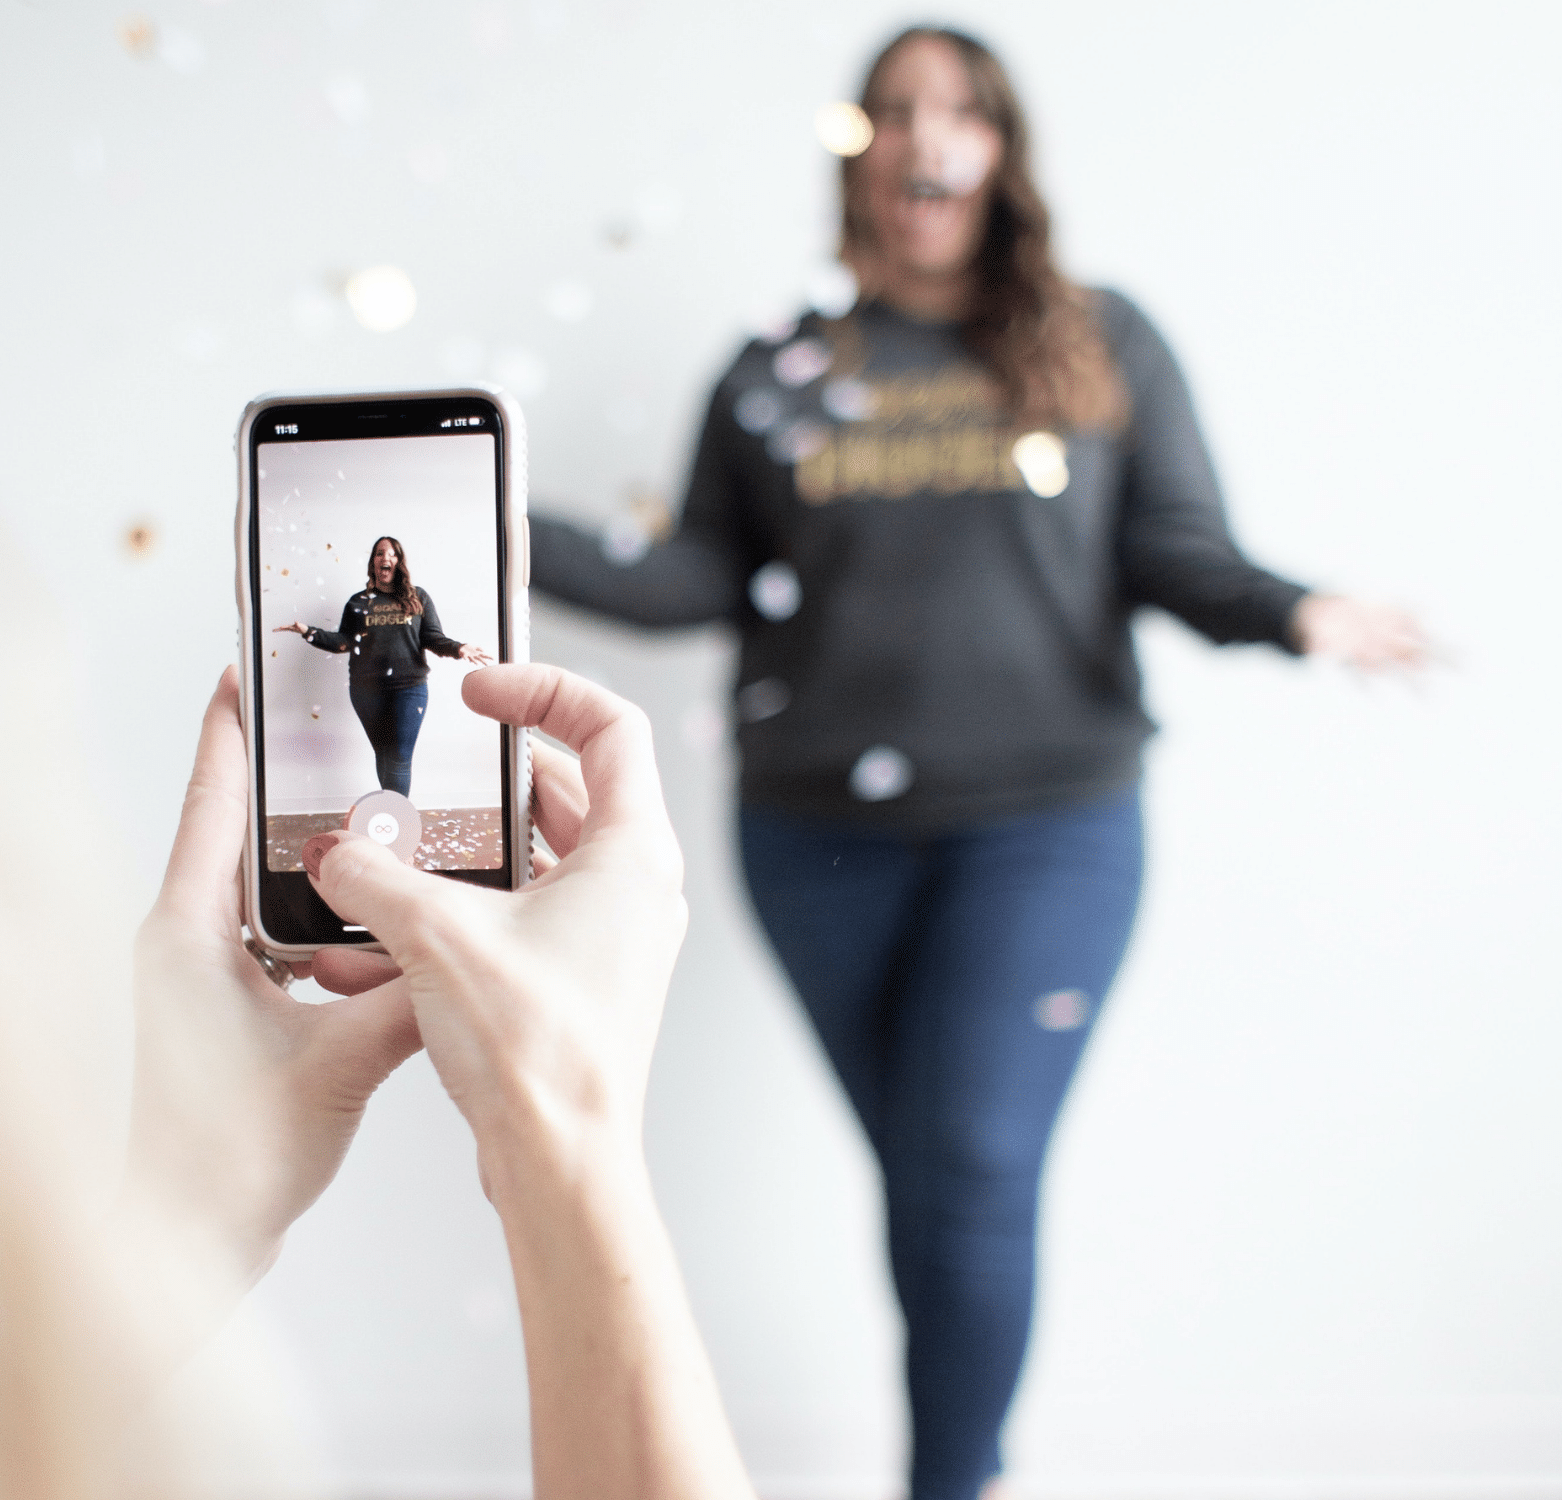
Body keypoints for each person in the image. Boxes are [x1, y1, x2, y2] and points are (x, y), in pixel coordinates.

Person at [0, 202, 753, 1500]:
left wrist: (197, 1189)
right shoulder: (370, 594)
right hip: (374, 691)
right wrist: (563, 1128)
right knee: (388, 764)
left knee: (401, 765)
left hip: (414, 692)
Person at [529, 26, 1430, 1500]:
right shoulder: (776, 365)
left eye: (956, 112)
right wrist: (498, 526)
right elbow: (693, 574)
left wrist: (1292, 612)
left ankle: (954, 1485)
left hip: (1048, 822)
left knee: (970, 1165)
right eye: (888, 113)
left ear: (1001, 152)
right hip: (816, 840)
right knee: (937, 1184)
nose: (919, 137)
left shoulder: (1096, 341)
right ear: (854, 152)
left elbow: (1175, 552)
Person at [275, 534, 492, 796]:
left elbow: (433, 638)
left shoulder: (418, 599)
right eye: (379, 553)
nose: (385, 558)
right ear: (373, 563)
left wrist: (459, 648)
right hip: (366, 691)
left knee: (400, 755)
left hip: (409, 688)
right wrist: (309, 632)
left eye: (391, 553)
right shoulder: (358, 603)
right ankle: (390, 817)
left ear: (399, 562)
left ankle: (395, 818)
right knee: (384, 754)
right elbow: (343, 642)